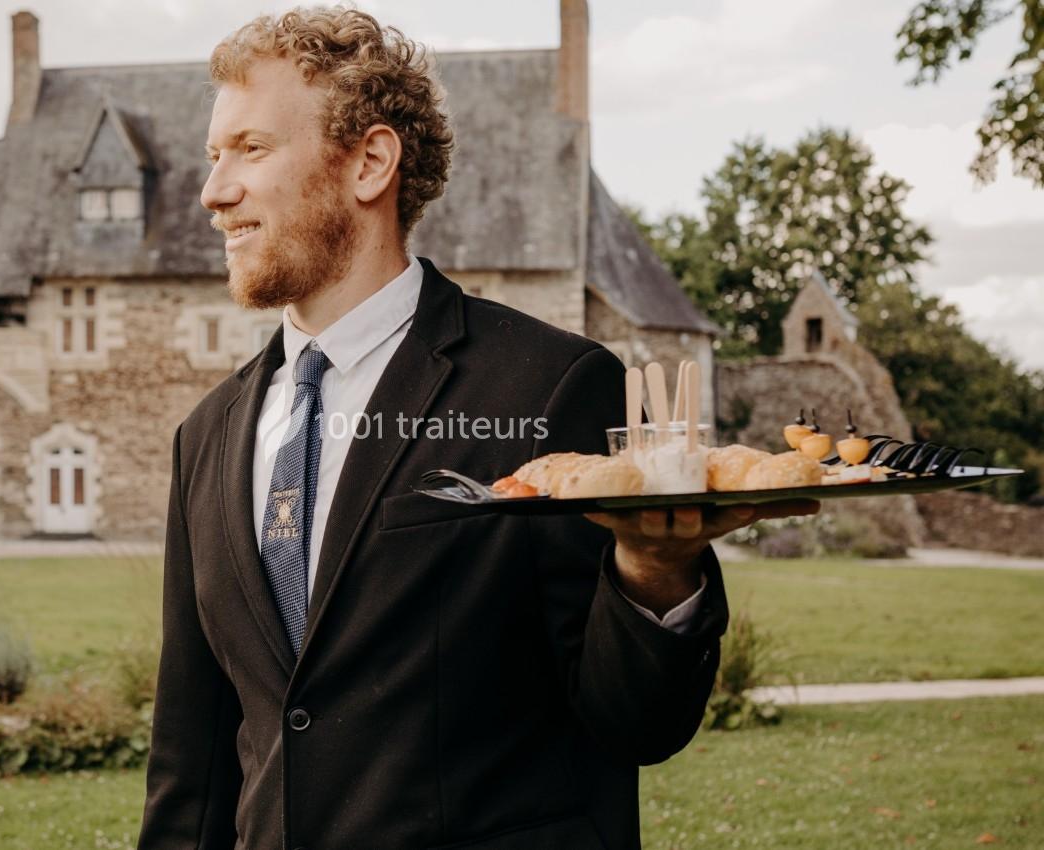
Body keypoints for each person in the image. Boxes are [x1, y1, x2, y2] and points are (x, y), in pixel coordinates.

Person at [138, 8, 816, 850]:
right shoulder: (206, 435)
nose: (213, 191)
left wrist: (651, 570)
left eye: (252, 148)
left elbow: (631, 727)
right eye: (214, 156)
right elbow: (191, 764)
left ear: (370, 163)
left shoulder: (551, 387)